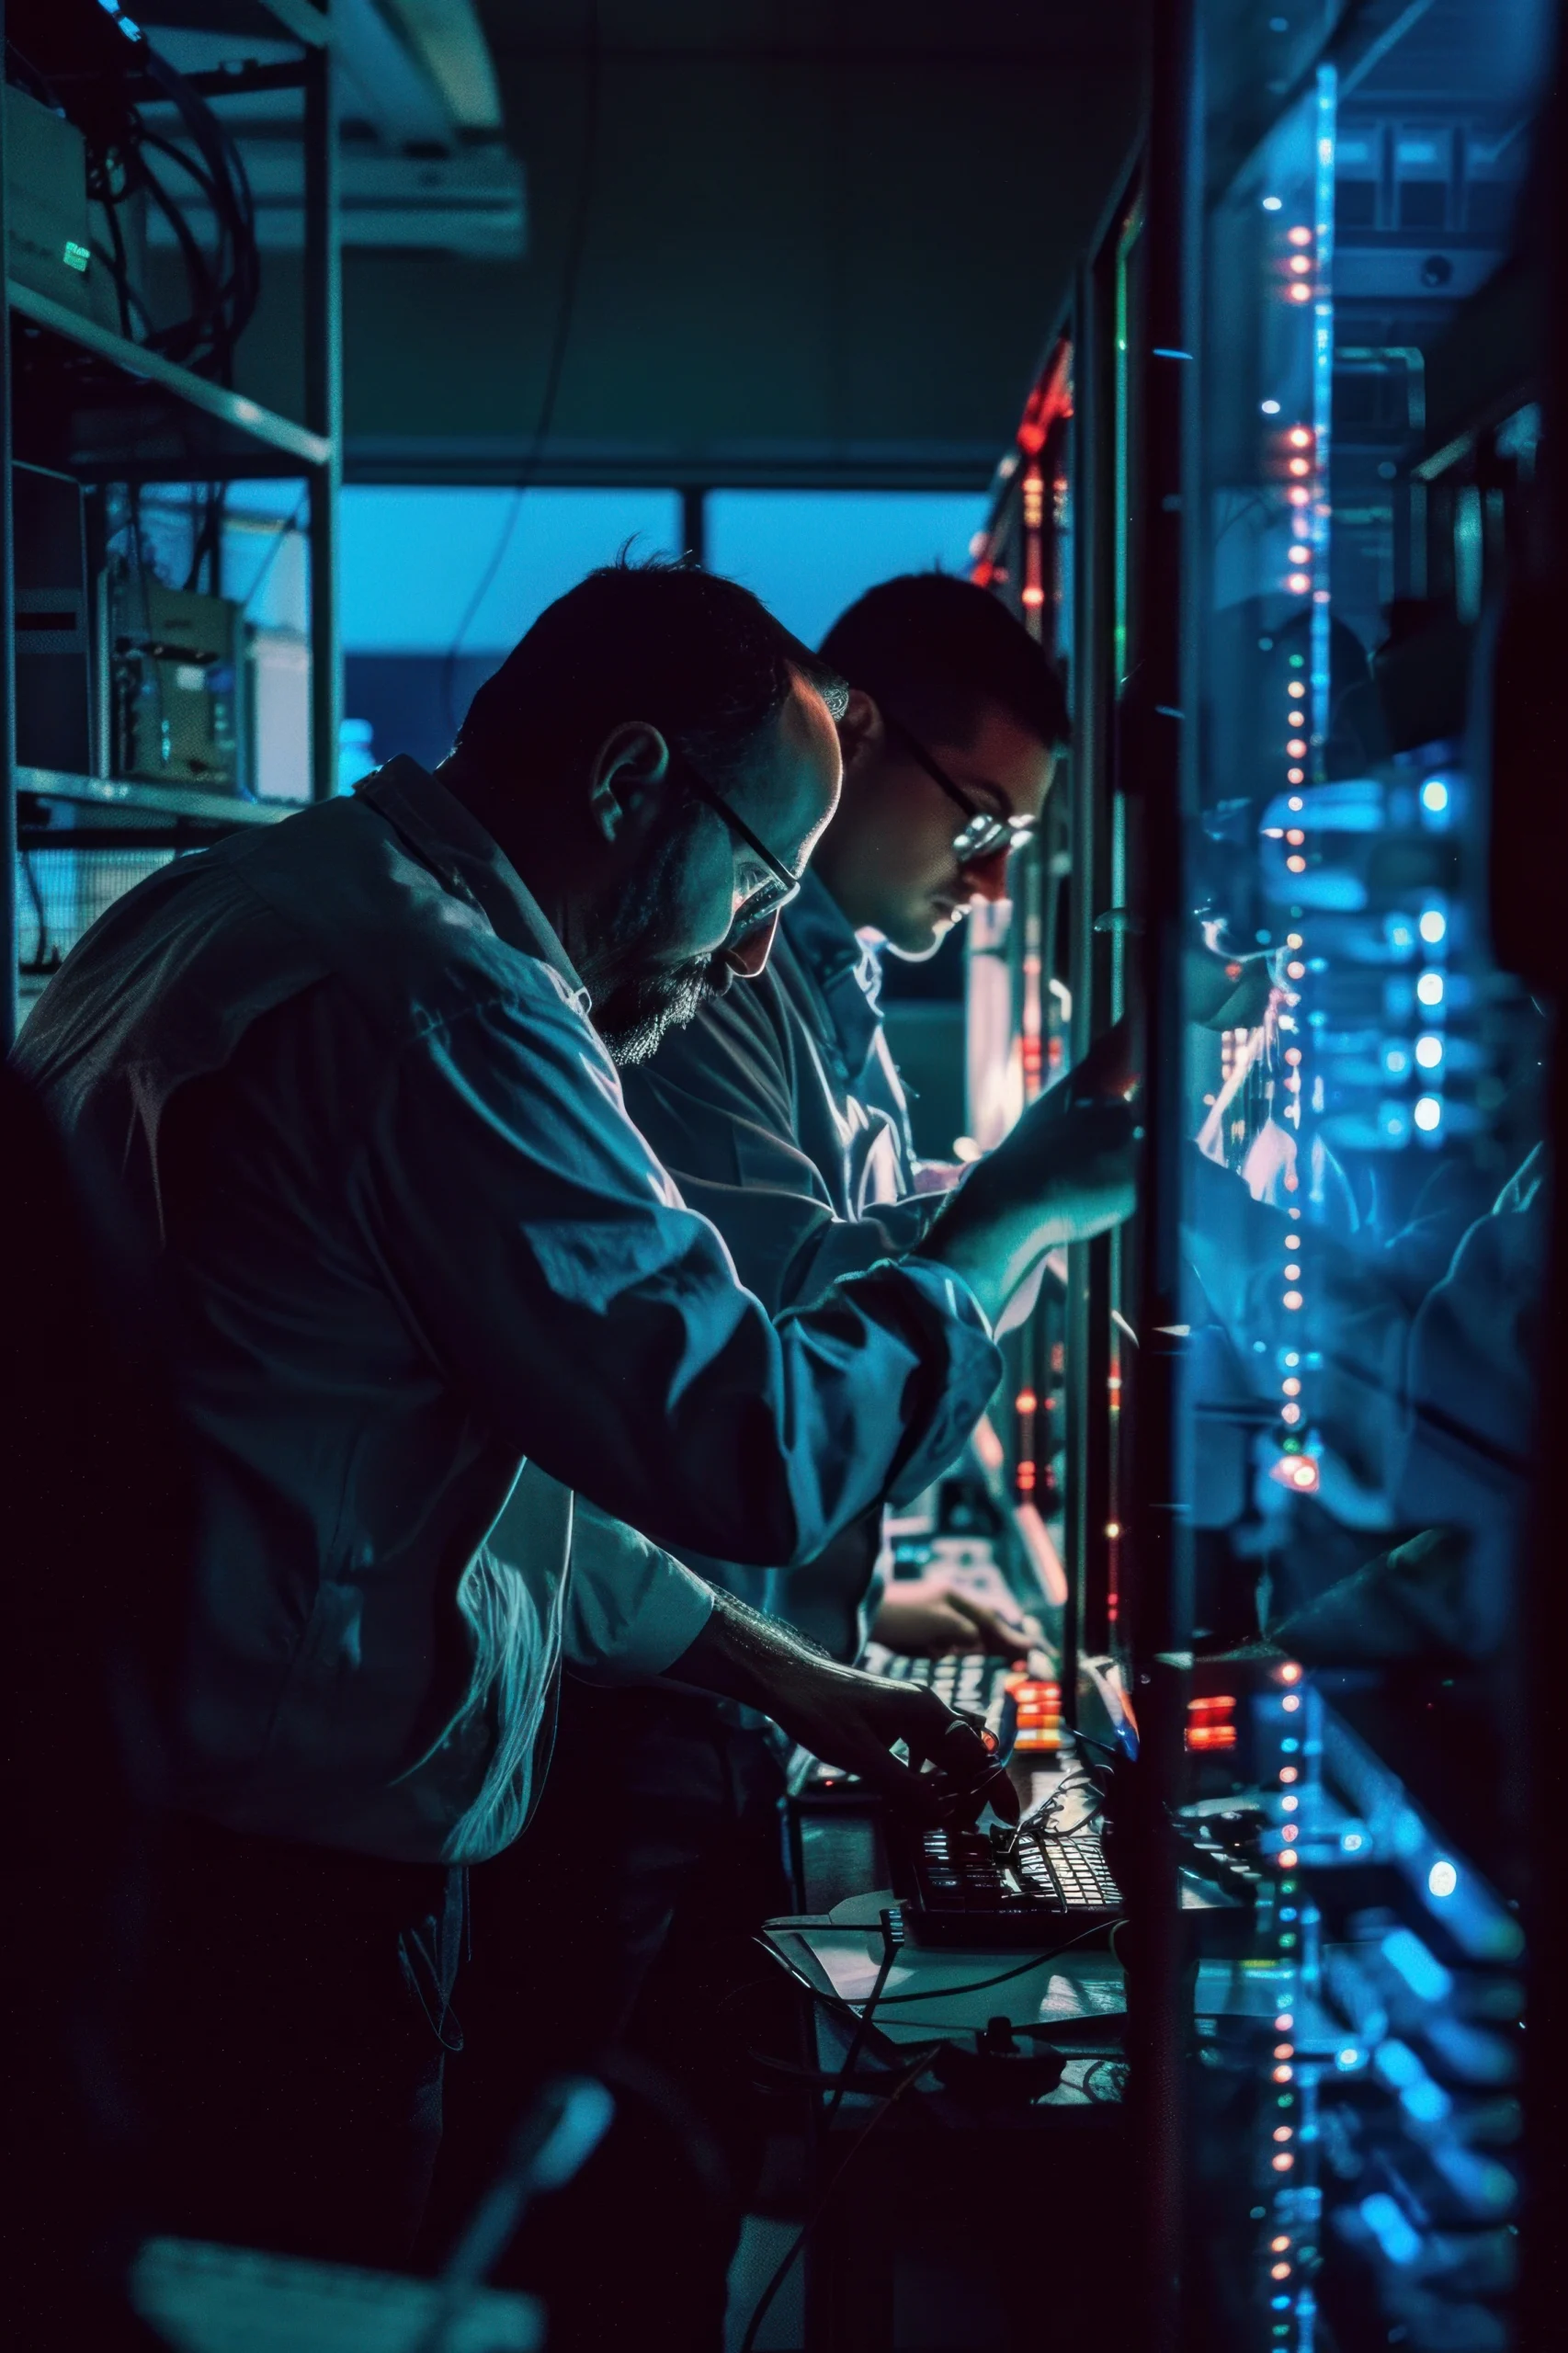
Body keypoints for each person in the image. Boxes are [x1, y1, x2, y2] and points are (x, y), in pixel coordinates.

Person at [14, 557, 1135, 2272]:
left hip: (160, 1839)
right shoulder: (457, 1008)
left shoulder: (258, 896)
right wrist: (1008, 1227)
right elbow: (739, 1445)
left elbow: (454, 1464)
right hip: (270, 1899)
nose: (761, 942)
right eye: (758, 876)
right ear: (623, 783)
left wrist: (797, 1681)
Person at [431, 575, 1117, 2343]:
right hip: (577, 1726)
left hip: (673, 1667)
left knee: (658, 2182)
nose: (984, 881)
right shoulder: (550, 1000)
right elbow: (748, 1409)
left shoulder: (761, 975)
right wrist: (1004, 1224)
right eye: (977, 821)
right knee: (597, 2208)